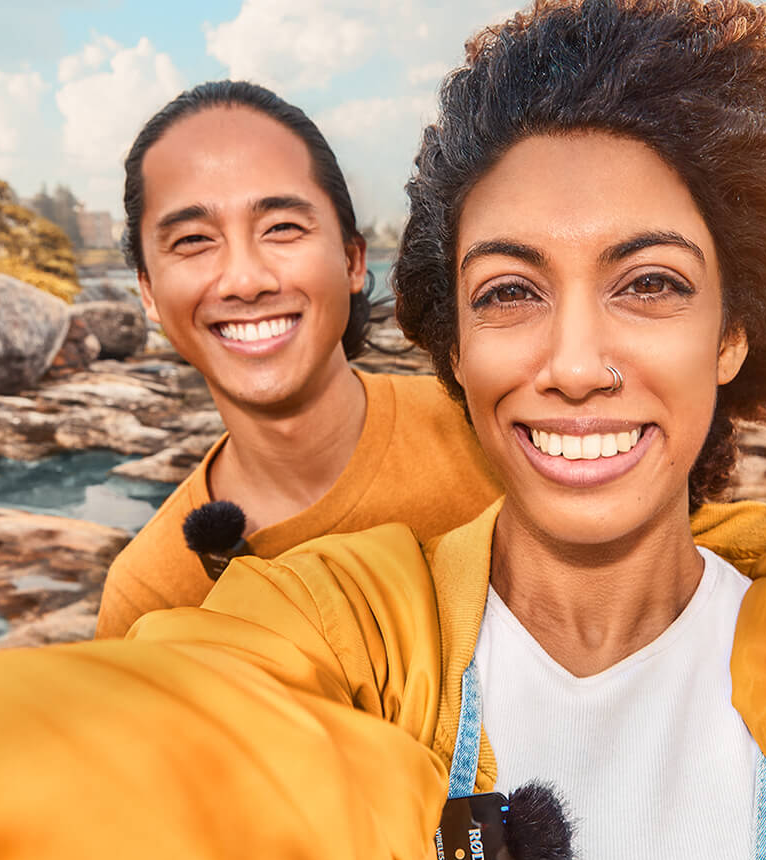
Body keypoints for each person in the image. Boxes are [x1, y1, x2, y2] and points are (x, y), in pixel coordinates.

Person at [0, 0, 766, 860]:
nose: (576, 366)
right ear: (454, 346)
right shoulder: (321, 618)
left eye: (652, 281)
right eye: (507, 292)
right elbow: (181, 782)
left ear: (732, 333)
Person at [95, 80, 500, 638]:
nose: (245, 280)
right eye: (192, 240)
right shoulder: (150, 596)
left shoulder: (490, 430)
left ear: (353, 260)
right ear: (146, 292)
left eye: (282, 228)